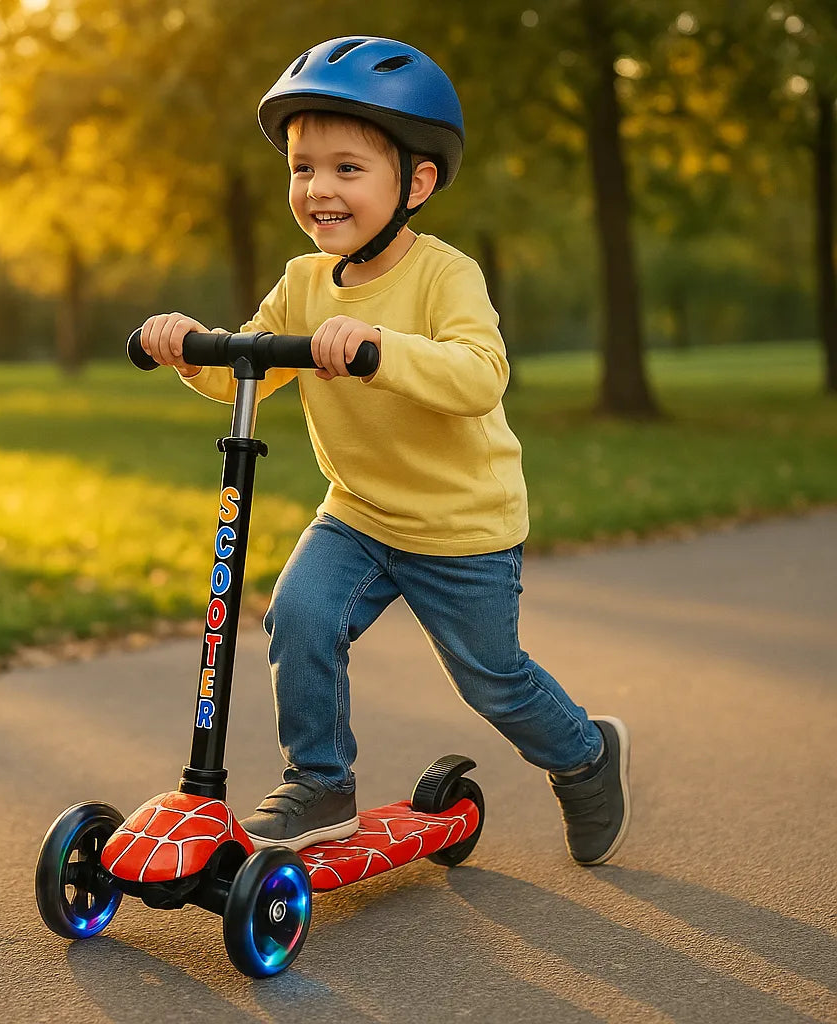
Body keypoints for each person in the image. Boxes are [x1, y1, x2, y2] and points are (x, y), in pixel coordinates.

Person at [139, 36, 631, 866]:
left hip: (460, 526)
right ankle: (320, 781)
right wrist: (192, 349)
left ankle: (585, 757)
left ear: (418, 182)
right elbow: (246, 371)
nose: (319, 188)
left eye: (347, 169)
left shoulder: (445, 276)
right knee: (298, 619)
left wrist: (378, 346)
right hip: (358, 512)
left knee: (492, 680)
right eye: (303, 168)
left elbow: (481, 376)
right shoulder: (303, 279)